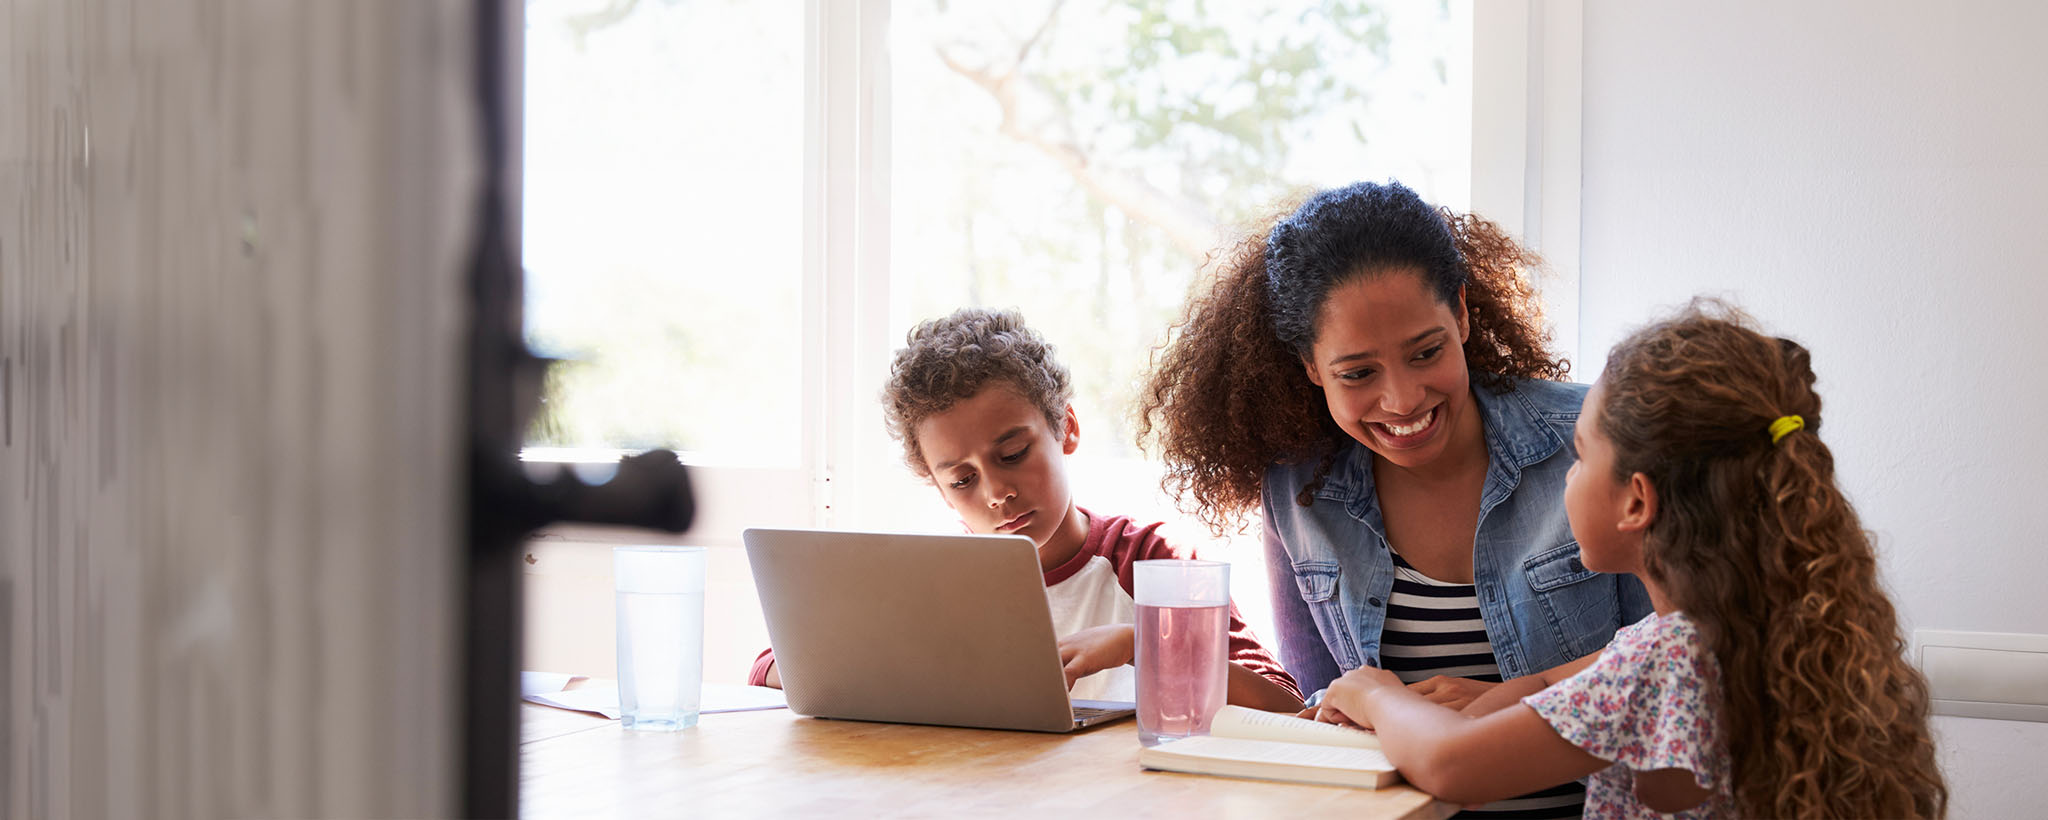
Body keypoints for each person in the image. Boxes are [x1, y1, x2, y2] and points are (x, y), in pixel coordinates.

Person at [1313, 303, 1949, 818]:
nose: (1566, 479)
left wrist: (1377, 695)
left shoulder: (1667, 661)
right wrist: (1478, 706)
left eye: (1582, 457)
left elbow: (1458, 769)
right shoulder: (1725, 633)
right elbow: (1543, 686)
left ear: (1636, 501)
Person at [1140, 180, 1649, 817]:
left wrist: (1510, 700)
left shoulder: (1596, 444)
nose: (1402, 400)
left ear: (1461, 313)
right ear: (1310, 365)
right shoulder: (1297, 491)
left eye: (1426, 352)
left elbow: (1672, 660)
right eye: (1357, 373)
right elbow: (1327, 702)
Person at [750, 307, 1302, 711]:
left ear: (1067, 428)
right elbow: (768, 667)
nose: (995, 493)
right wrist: (881, 663)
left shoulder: (1148, 559)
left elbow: (1282, 702)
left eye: (1013, 454)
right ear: (936, 487)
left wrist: (1140, 642)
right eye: (962, 479)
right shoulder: (927, 576)